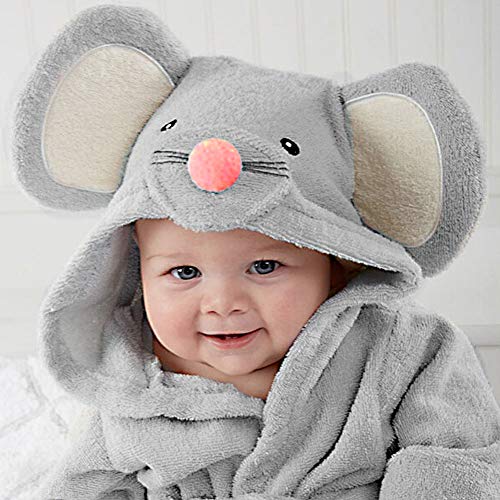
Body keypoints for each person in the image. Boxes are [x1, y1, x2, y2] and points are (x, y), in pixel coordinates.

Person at [10, 5, 500, 499]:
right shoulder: (126, 371)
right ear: (137, 265)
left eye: (264, 266)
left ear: (337, 261)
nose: (223, 304)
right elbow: (88, 483)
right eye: (184, 272)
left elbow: (456, 453)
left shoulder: (401, 348)